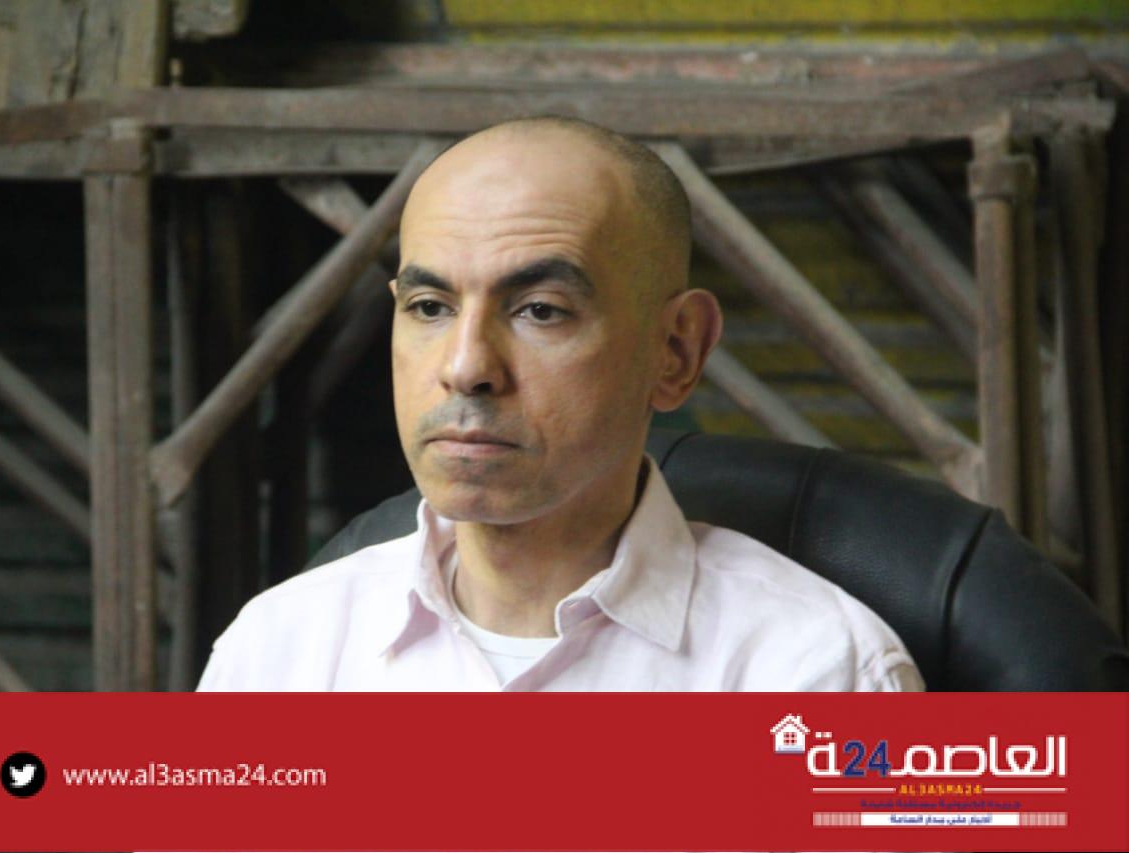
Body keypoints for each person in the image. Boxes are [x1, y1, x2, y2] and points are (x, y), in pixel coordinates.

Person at [197, 117, 924, 692]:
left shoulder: (816, 674)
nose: (465, 367)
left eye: (540, 311)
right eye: (429, 306)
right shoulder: (280, 654)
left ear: (676, 350)